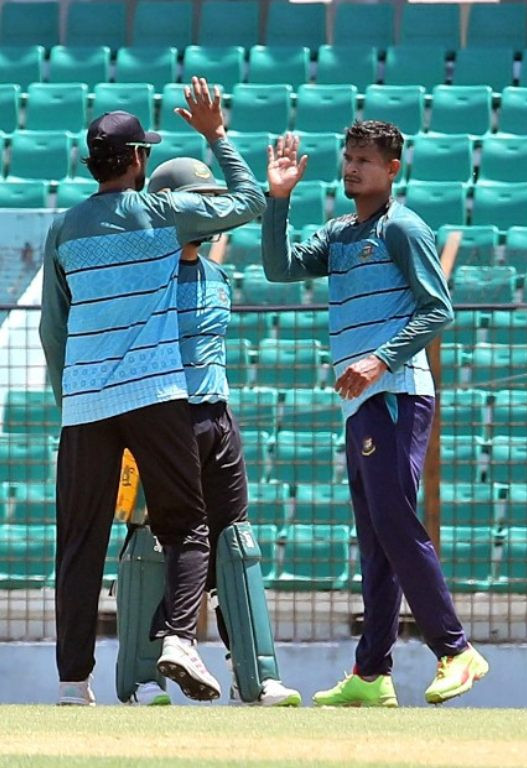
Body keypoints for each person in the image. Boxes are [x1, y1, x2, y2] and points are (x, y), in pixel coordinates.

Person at [39, 78, 265, 705]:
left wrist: (70, 400)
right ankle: (176, 638)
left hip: (85, 404)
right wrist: (215, 135)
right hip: (155, 395)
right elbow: (250, 202)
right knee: (188, 524)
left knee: (80, 540)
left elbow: (51, 327)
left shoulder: (64, 228)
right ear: (139, 160)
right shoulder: (163, 215)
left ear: (94, 164)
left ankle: (70, 683)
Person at [260, 121, 487, 707]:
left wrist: (380, 361)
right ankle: (370, 673)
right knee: (377, 535)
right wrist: (278, 199)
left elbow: (439, 310)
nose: (353, 168)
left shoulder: (403, 227)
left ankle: (456, 650)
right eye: (349, 157)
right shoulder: (340, 232)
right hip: (363, 401)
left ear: (392, 169)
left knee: (393, 522)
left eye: (365, 160)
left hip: (395, 394)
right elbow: (279, 268)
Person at [114, 157, 302, 707]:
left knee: (234, 543)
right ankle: (146, 677)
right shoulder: (142, 279)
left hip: (217, 416)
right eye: (200, 202)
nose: (212, 212)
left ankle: (257, 675)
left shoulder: (217, 275)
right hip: (162, 418)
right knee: (154, 543)